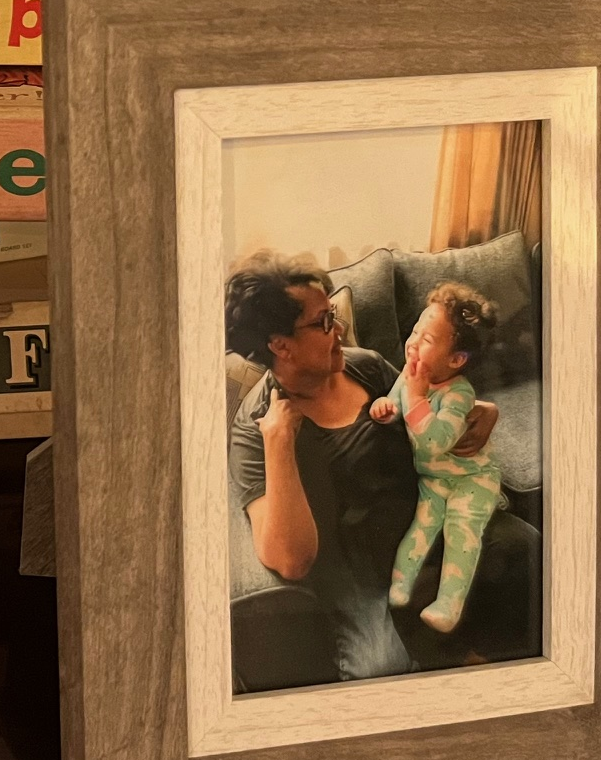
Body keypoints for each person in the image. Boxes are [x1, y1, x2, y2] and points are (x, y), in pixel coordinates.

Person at [226, 253, 538, 681]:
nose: (337, 330)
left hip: (430, 522)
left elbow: (428, 401)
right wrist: (279, 443)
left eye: (332, 315)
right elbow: (291, 561)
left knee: (526, 549)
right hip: (362, 576)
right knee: (382, 667)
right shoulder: (255, 428)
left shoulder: (364, 365)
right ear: (280, 345)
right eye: (322, 323)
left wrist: (484, 409)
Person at [371, 283, 505, 633]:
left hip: (472, 480)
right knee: (421, 527)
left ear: (456, 359)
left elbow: (434, 442)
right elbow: (395, 405)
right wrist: (384, 407)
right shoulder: (409, 376)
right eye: (415, 331)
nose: (413, 342)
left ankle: (449, 605)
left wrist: (414, 397)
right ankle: (400, 588)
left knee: (460, 532)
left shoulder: (460, 394)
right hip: (433, 479)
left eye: (427, 340)